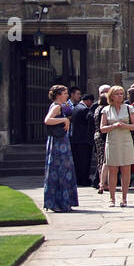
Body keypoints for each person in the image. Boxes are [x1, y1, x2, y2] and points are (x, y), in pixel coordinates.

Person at [42, 84, 78, 213]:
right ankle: (58, 202)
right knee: (60, 170)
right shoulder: (57, 106)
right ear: (58, 95)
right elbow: (47, 120)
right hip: (58, 143)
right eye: (65, 93)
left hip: (60, 141)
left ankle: (63, 202)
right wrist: (64, 120)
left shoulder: (60, 106)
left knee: (62, 170)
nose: (67, 95)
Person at [100, 85, 134, 207]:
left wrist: (124, 125)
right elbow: (102, 128)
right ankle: (112, 198)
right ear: (111, 96)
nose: (120, 96)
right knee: (113, 170)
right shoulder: (106, 110)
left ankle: (124, 198)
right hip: (112, 142)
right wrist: (113, 126)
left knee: (126, 170)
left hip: (126, 141)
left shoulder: (129, 108)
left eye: (121, 93)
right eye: (117, 94)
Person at [68, 88, 96, 187]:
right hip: (83, 140)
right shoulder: (84, 109)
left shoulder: (76, 107)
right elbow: (90, 119)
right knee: (84, 161)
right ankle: (83, 179)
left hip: (76, 139)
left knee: (78, 161)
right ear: (88, 101)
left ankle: (79, 179)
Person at [92, 84, 111, 192]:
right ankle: (103, 183)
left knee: (101, 160)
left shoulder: (98, 108)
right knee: (104, 160)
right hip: (102, 136)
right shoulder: (103, 110)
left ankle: (101, 182)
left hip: (97, 135)